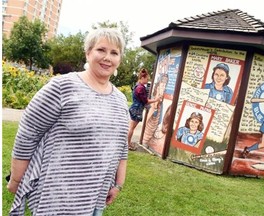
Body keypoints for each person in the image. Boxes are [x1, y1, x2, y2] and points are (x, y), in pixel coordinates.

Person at [7, 28, 129, 216]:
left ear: (119, 59)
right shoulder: (62, 87)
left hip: (95, 196)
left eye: (114, 53)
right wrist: (16, 180)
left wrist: (118, 184)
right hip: (56, 196)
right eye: (101, 50)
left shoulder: (120, 99)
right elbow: (28, 134)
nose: (107, 57)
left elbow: (121, 145)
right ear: (88, 53)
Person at [127, 68, 161, 150]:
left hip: (135, 108)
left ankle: (128, 143)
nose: (147, 80)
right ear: (142, 78)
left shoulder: (137, 85)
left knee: (130, 127)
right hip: (137, 109)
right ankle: (127, 144)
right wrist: (156, 100)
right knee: (131, 128)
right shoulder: (141, 88)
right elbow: (145, 101)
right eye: (147, 79)